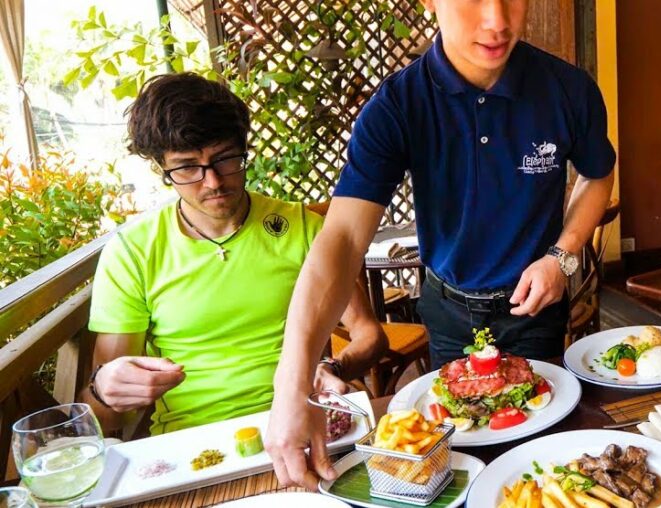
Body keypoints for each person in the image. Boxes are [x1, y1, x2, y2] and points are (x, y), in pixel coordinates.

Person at [266, 0, 616, 488]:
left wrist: (562, 253)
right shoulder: (397, 106)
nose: (497, 20)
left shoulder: (568, 89)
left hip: (534, 307)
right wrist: (292, 383)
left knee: (538, 461)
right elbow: (343, 237)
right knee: (461, 453)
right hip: (448, 308)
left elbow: (598, 176)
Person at [83, 73, 388, 436]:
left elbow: (370, 335)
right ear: (161, 168)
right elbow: (105, 417)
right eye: (187, 167)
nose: (212, 181)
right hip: (193, 440)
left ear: (244, 148)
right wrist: (105, 389)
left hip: (301, 420)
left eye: (225, 159)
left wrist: (332, 369)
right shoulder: (132, 253)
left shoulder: (302, 227)